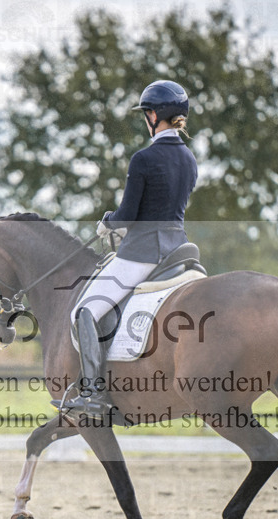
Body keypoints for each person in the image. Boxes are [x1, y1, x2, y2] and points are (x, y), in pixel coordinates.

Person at [61, 79, 199, 418]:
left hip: (143, 254)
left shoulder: (144, 158)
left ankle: (92, 394)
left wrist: (108, 220)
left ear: (154, 115)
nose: (145, 119)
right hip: (178, 252)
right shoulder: (189, 159)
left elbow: (128, 215)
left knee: (86, 311)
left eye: (146, 114)